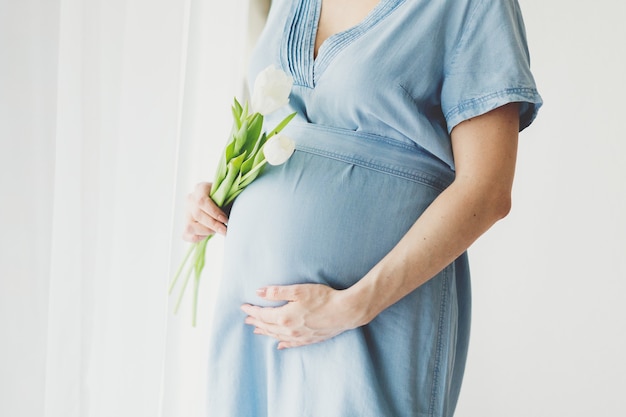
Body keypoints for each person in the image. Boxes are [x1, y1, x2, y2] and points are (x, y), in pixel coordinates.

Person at [183, 0, 542, 415]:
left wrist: (355, 305)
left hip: (375, 314)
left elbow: (487, 190)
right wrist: (220, 194)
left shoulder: (472, 7)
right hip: (255, 319)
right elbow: (271, 127)